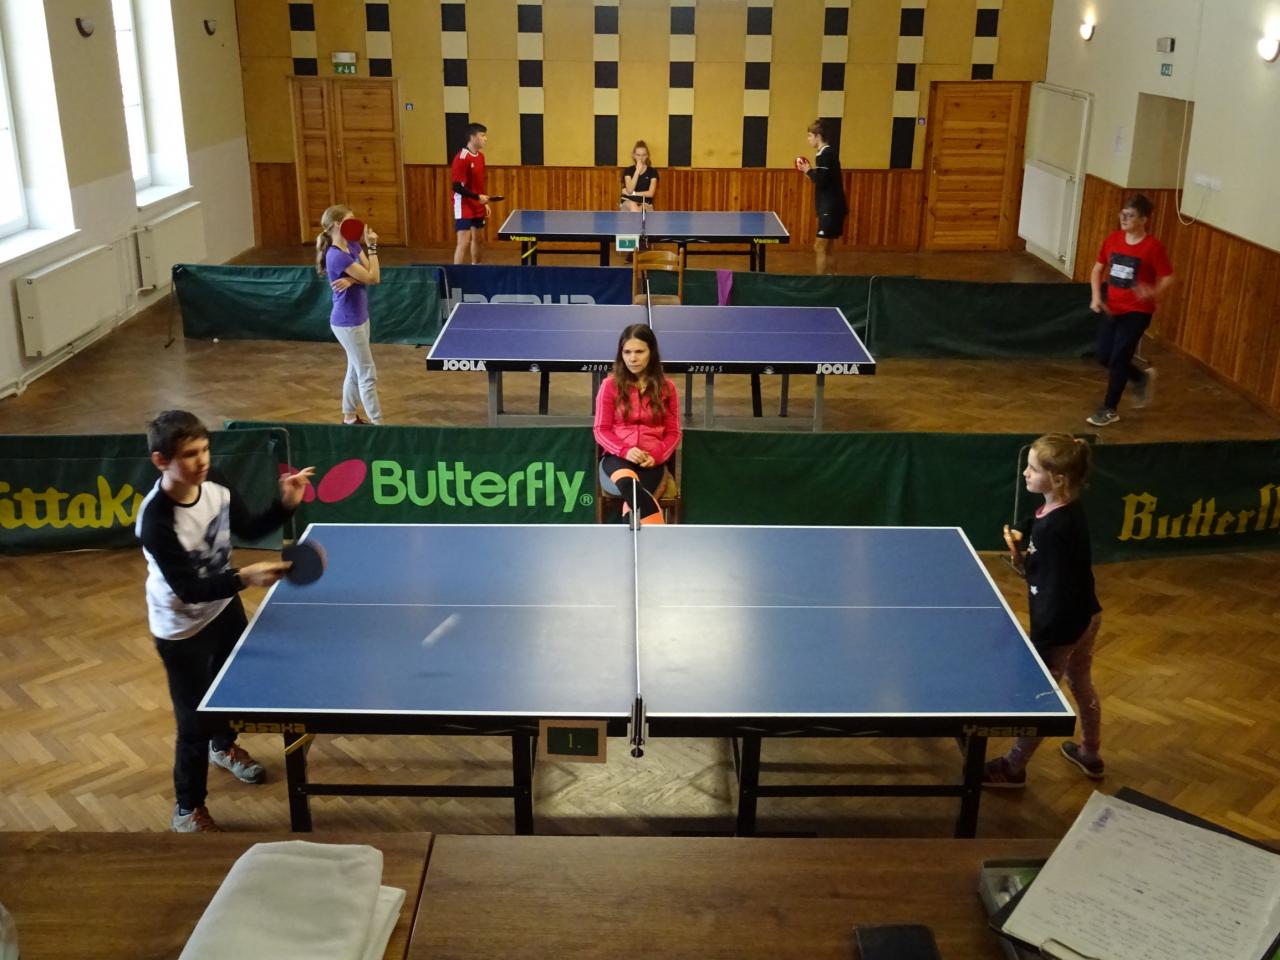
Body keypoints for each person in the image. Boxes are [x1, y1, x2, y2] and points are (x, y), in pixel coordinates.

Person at [136, 410, 315, 832]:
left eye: (204, 450)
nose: (202, 461)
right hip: (181, 629)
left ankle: (223, 747)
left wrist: (286, 504)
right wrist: (244, 577)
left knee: (228, 693)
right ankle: (187, 810)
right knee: (192, 722)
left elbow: (250, 527)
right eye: (189, 455)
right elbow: (187, 588)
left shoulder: (213, 483)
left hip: (222, 607)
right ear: (161, 461)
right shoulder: (156, 520)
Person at [983, 434, 1104, 788]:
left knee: (1041, 696)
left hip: (1060, 626)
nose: (1025, 473)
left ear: (1057, 479)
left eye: (1033, 469)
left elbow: (1052, 587)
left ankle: (1013, 768)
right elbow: (1038, 520)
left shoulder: (1054, 530)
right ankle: (1090, 753)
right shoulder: (1065, 508)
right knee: (1081, 684)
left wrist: (1042, 643)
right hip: (1088, 615)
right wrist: (1023, 531)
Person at [1086, 193, 1174, 427]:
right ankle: (1140, 377)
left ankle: (1109, 409)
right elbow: (1097, 270)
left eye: (1130, 215)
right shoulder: (1113, 240)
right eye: (1123, 214)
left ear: (1143, 220)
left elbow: (1168, 277)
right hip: (1113, 308)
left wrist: (1152, 291)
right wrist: (1096, 297)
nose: (1124, 219)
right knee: (1104, 356)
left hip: (1138, 311)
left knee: (1119, 357)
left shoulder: (1153, 247)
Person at [593, 324, 681, 525]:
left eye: (639, 352)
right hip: (617, 458)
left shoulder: (667, 388)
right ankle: (659, 539)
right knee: (629, 486)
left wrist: (657, 455)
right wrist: (625, 450)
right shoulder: (609, 386)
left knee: (633, 503)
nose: (632, 358)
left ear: (651, 353)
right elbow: (601, 430)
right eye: (627, 352)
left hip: (651, 461)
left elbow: (674, 432)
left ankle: (632, 541)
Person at [316, 203, 383, 425]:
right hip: (347, 322)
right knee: (367, 374)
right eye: (350, 219)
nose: (355, 223)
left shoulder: (352, 245)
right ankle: (379, 426)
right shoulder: (336, 256)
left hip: (360, 316)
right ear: (338, 224)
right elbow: (373, 277)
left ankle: (349, 417)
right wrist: (372, 247)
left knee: (355, 369)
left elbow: (370, 274)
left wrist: (353, 279)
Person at [795, 119, 847, 275]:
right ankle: (834, 279)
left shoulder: (825, 154)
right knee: (828, 249)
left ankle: (820, 283)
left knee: (819, 247)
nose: (808, 139)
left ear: (818, 136)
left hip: (830, 209)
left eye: (810, 136)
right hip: (833, 207)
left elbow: (822, 181)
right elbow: (822, 179)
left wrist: (809, 171)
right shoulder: (826, 153)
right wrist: (808, 172)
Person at [451, 122, 490, 265]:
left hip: (477, 204)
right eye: (482, 135)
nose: (485, 139)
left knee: (478, 240)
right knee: (463, 242)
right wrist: (477, 197)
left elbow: (478, 183)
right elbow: (456, 186)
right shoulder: (462, 158)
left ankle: (476, 268)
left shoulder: (481, 157)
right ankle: (456, 274)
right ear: (472, 137)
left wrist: (483, 202)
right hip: (463, 205)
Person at [620, 140, 659, 211]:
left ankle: (637, 217)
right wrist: (637, 171)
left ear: (647, 156)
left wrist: (634, 193)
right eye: (638, 155)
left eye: (643, 155)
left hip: (646, 204)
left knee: (641, 209)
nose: (641, 158)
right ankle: (637, 217)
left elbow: (650, 193)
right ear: (634, 156)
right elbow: (630, 190)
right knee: (632, 204)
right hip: (628, 202)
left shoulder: (653, 172)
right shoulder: (628, 170)